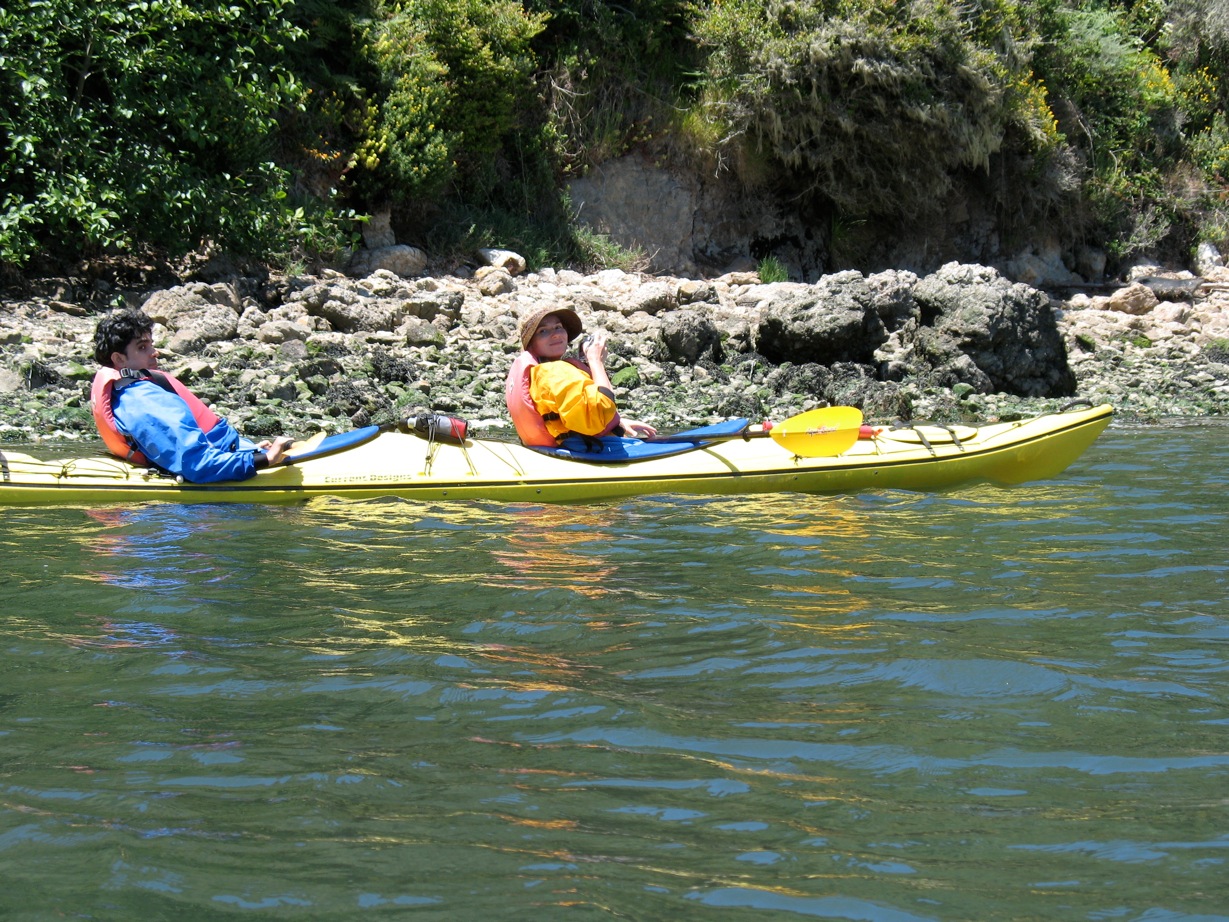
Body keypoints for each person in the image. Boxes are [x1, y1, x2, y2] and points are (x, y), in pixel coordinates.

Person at [91, 309, 294, 482]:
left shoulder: (133, 390)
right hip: (214, 470)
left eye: (151, 344)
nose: (155, 352)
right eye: (142, 347)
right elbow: (195, 463)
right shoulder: (144, 401)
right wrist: (263, 460)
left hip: (227, 451)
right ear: (119, 359)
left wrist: (248, 449)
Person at [505, 305, 657, 447]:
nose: (556, 334)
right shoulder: (555, 372)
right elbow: (598, 415)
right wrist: (595, 361)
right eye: (543, 331)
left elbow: (573, 414)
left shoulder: (545, 372)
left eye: (558, 327)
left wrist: (618, 423)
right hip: (587, 452)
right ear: (531, 344)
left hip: (564, 448)